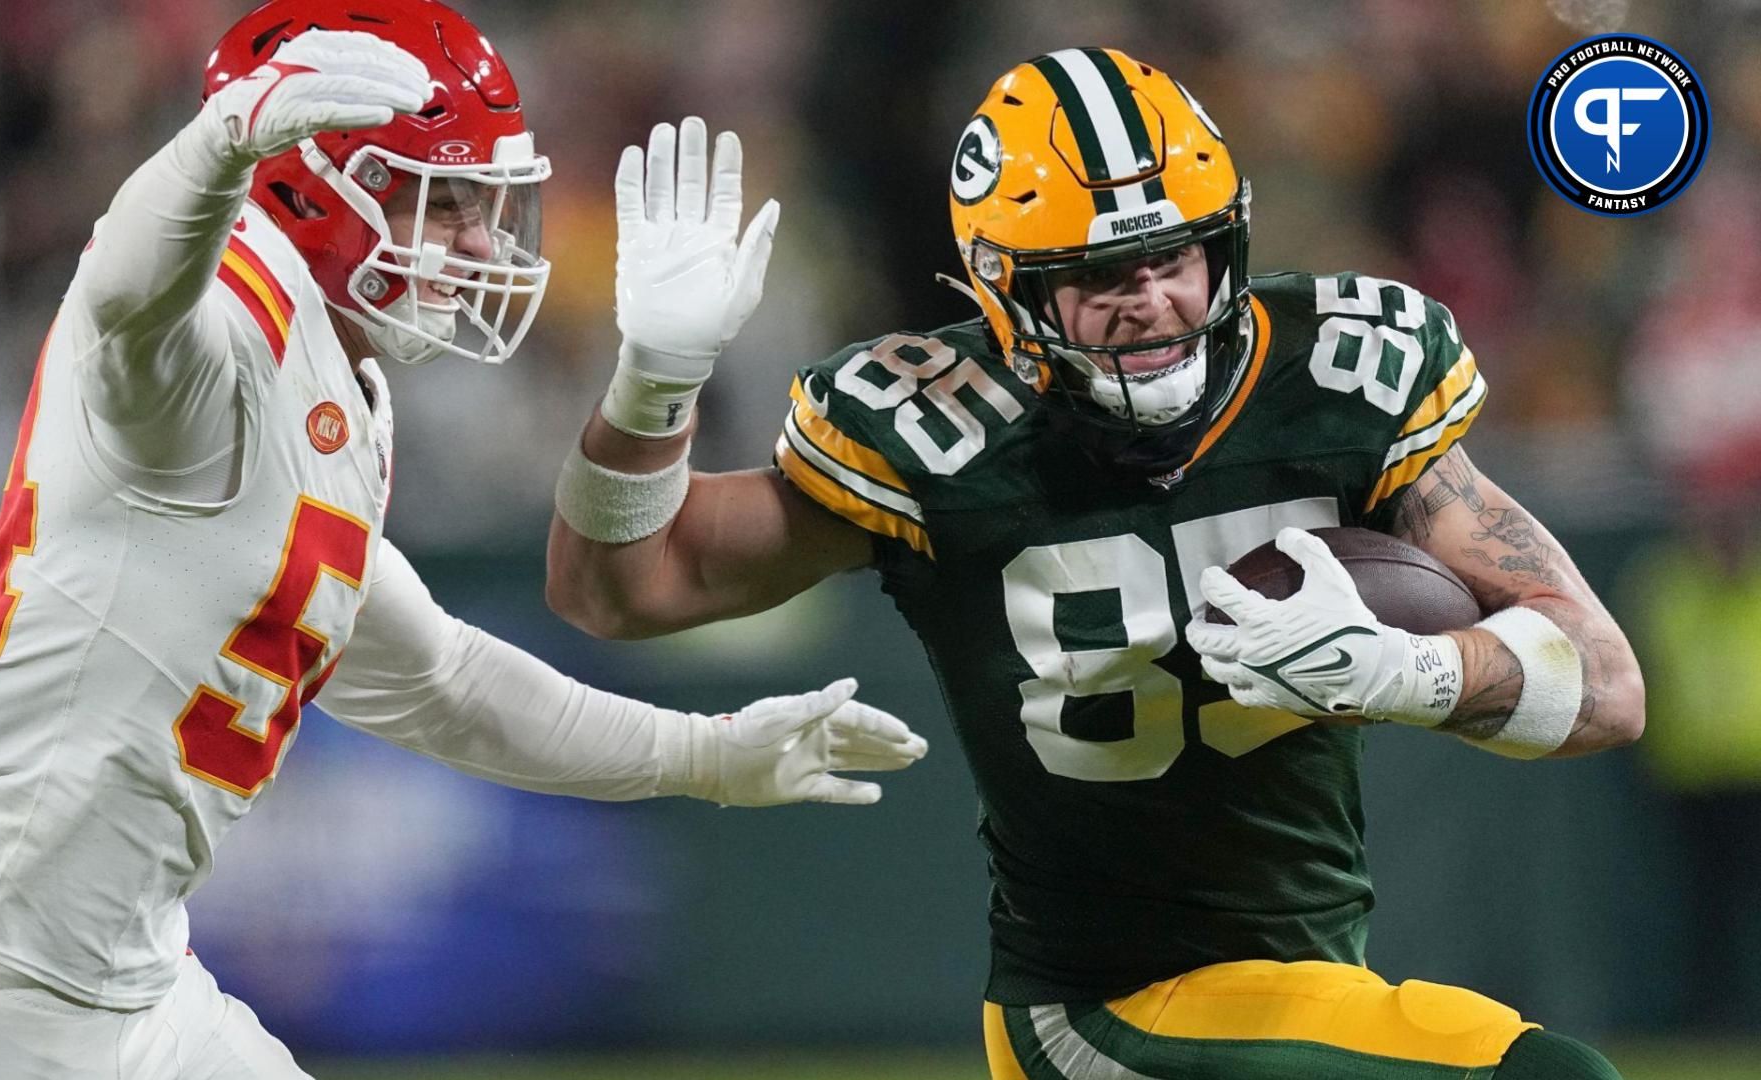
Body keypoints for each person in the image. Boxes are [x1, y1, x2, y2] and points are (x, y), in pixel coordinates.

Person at [0, 3, 928, 1077]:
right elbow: (123, 297)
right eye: (444, 202)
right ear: (310, 184)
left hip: (138, 981)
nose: (478, 245)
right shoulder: (210, 338)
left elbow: (442, 681)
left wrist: (710, 754)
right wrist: (213, 146)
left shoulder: (334, 380)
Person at [548, 48, 1645, 1079]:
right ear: (1005, 290)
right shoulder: (942, 435)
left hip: (1304, 976)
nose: (1151, 302)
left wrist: (1413, 674)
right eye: (1099, 275)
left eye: (1171, 257)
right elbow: (618, 589)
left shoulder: (1337, 381)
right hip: (1105, 1006)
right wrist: (654, 383)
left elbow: (1606, 683)